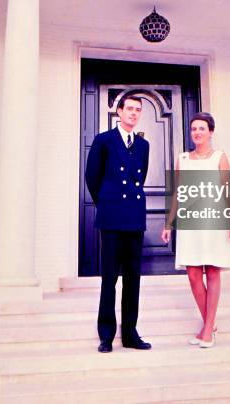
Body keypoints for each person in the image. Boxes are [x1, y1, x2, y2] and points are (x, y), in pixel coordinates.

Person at [161, 112, 230, 348]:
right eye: (194, 128)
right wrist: (168, 223)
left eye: (201, 128)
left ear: (210, 132)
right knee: (194, 273)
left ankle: (207, 329)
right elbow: (177, 193)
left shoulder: (220, 157)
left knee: (212, 271)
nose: (197, 132)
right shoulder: (182, 158)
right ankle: (209, 324)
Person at [85, 93, 151, 353]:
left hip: (134, 217)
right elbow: (92, 177)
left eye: (138, 110)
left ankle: (131, 333)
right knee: (109, 278)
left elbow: (141, 176)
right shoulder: (104, 140)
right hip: (111, 218)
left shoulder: (143, 145)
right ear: (119, 112)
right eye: (130, 109)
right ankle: (106, 335)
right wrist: (106, 203)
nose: (134, 113)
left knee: (133, 278)